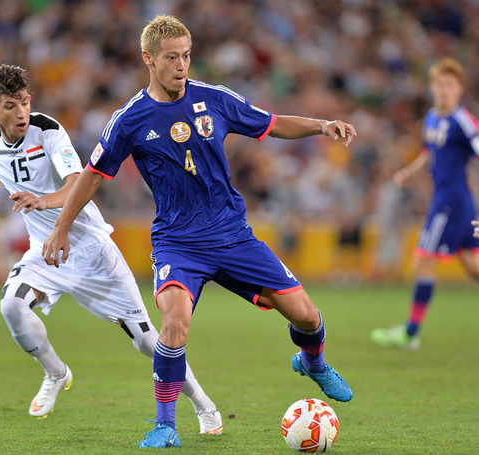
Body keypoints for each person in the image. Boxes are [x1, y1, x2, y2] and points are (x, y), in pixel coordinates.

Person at [42, 15, 355, 449]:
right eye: (172, 57)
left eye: (187, 56)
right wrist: (61, 228)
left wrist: (322, 125)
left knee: (306, 315)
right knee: (174, 323)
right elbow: (92, 176)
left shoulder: (215, 100)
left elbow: (271, 123)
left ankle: (313, 362)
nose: (182, 65)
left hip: (232, 235)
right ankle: (165, 424)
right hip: (178, 242)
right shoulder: (129, 119)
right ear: (148, 58)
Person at [0, 64, 222, 434]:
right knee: (11, 306)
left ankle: (202, 403)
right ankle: (56, 372)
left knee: (149, 341)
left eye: (24, 102)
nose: (20, 112)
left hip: (91, 249)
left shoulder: (47, 130)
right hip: (47, 252)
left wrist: (44, 201)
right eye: (9, 106)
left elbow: (77, 183)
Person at [371, 57, 479, 350]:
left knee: (423, 261)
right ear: (432, 87)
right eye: (440, 84)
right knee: (472, 266)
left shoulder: (464, 122)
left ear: (459, 89)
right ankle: (410, 332)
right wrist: (409, 171)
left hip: (452, 202)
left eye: (450, 85)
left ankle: (410, 333)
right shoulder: (432, 117)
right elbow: (429, 152)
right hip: (451, 200)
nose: (444, 90)